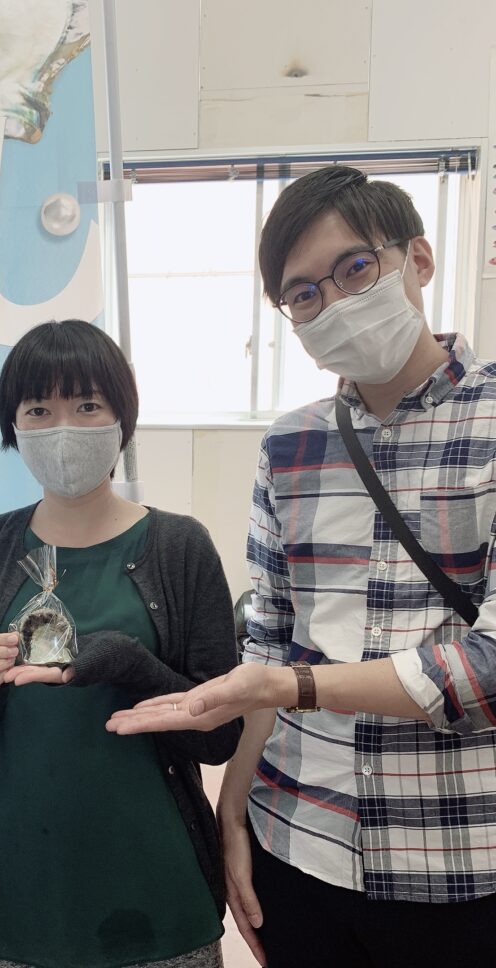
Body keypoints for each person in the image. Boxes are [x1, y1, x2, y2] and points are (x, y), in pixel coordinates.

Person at [108, 166, 496, 967]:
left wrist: (291, 687)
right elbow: (270, 640)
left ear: (419, 259)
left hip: (461, 860)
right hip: (297, 843)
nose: (334, 303)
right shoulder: (290, 445)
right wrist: (234, 811)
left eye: (354, 269)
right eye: (304, 295)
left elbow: (487, 667)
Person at [0, 319, 242, 968]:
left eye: (87, 405)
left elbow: (218, 739)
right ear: (13, 427)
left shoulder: (180, 547)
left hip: (155, 890)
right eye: (39, 409)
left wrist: (135, 666)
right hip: (5, 889)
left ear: (123, 418)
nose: (63, 428)